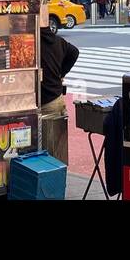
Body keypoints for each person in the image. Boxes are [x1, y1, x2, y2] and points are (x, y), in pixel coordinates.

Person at [39, 24, 80, 165]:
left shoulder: (33, 42)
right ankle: (56, 182)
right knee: (55, 151)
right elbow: (74, 52)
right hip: (55, 99)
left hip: (42, 101)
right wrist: (61, 73)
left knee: (38, 152)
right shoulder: (57, 41)